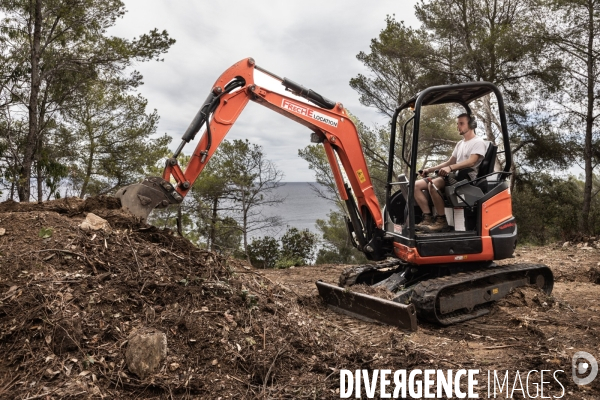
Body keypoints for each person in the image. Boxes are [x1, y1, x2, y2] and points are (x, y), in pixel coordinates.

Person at [414, 113, 487, 232]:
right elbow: (449, 162)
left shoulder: (478, 142)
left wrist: (451, 168)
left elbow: (472, 162)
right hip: (454, 174)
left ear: (471, 124)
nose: (458, 126)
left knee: (433, 184)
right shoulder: (460, 144)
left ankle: (441, 221)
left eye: (461, 123)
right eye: (457, 124)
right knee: (415, 186)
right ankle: (427, 217)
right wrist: (429, 170)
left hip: (466, 177)